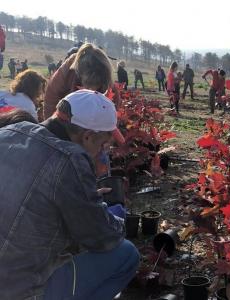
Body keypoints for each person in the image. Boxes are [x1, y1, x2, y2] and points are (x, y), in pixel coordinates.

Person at [0, 89, 140, 299]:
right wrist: (112, 214)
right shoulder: (69, 159)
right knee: (126, 255)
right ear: (87, 136)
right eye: (102, 144)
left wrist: (83, 198)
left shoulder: (11, 131)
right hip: (19, 289)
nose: (102, 152)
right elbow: (101, 237)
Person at [43, 43, 115, 119]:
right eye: (87, 86)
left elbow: (113, 107)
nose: (91, 91)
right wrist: (51, 125)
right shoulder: (68, 69)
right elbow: (50, 97)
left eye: (96, 86)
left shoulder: (107, 76)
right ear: (79, 74)